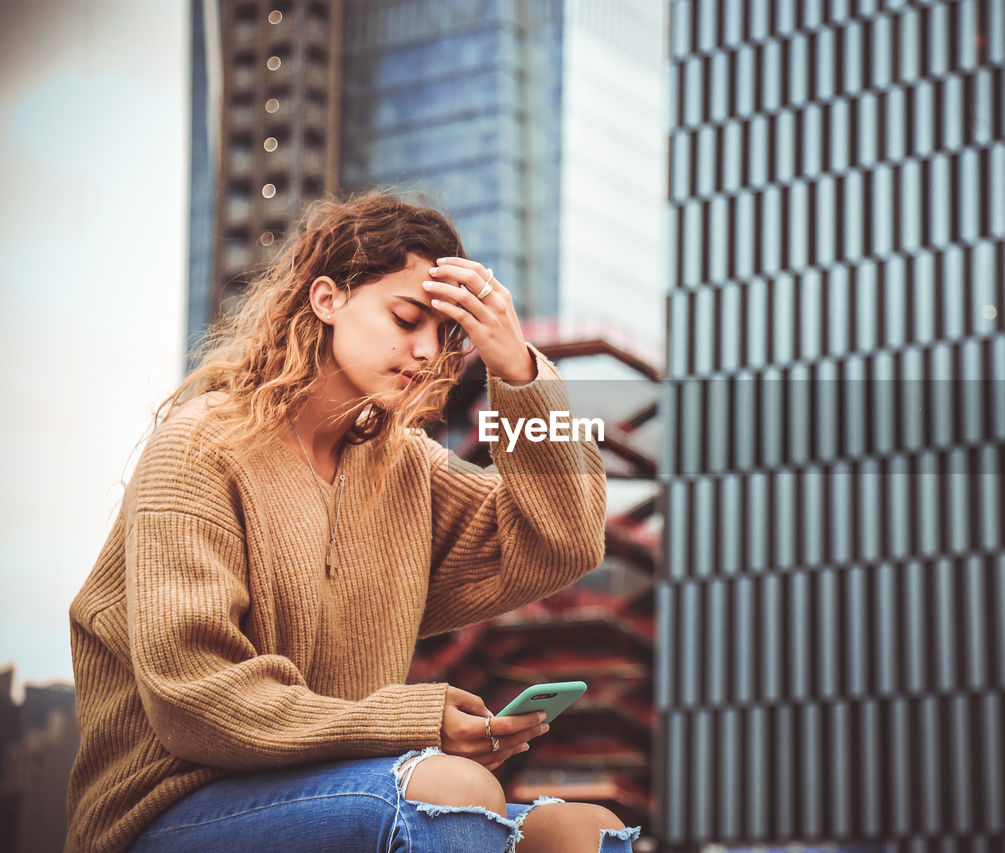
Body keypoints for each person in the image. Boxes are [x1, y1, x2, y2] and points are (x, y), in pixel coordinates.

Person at [65, 191, 638, 852]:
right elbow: (197, 701)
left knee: (585, 829)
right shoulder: (199, 448)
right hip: (172, 806)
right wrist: (414, 723)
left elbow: (563, 540)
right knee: (454, 791)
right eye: (406, 317)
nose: (428, 350)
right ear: (328, 299)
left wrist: (519, 369)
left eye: (445, 334)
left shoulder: (406, 470)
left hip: (340, 782)